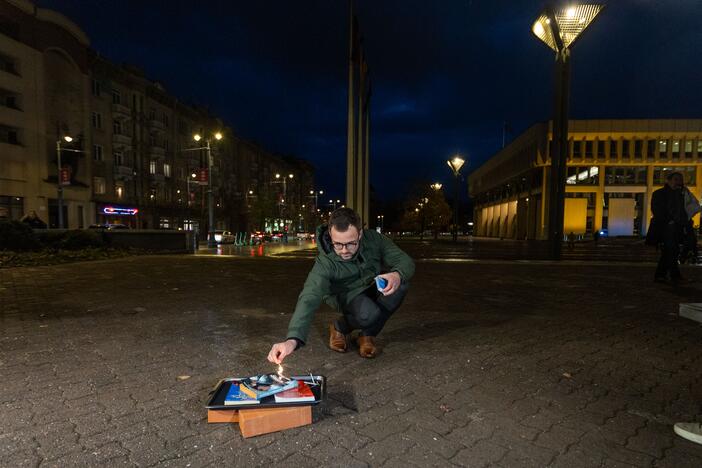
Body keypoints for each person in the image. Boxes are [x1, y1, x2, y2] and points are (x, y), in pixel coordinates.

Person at [267, 207, 414, 363]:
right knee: (368, 314)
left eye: (351, 244)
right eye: (338, 244)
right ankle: (340, 327)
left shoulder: (375, 239)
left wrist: (396, 275)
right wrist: (292, 340)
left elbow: (405, 261)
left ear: (360, 234)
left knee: (401, 285)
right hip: (345, 295)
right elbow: (309, 298)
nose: (344, 251)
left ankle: (366, 335)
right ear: (330, 235)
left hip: (370, 285)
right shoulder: (325, 263)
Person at [646, 172, 687, 283]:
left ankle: (663, 275)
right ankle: (672, 275)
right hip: (665, 228)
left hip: (675, 228)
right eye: (676, 179)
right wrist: (669, 221)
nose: (678, 182)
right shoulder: (659, 194)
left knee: (670, 252)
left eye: (680, 180)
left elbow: (683, 211)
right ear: (668, 181)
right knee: (670, 251)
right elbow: (657, 210)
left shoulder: (680, 194)